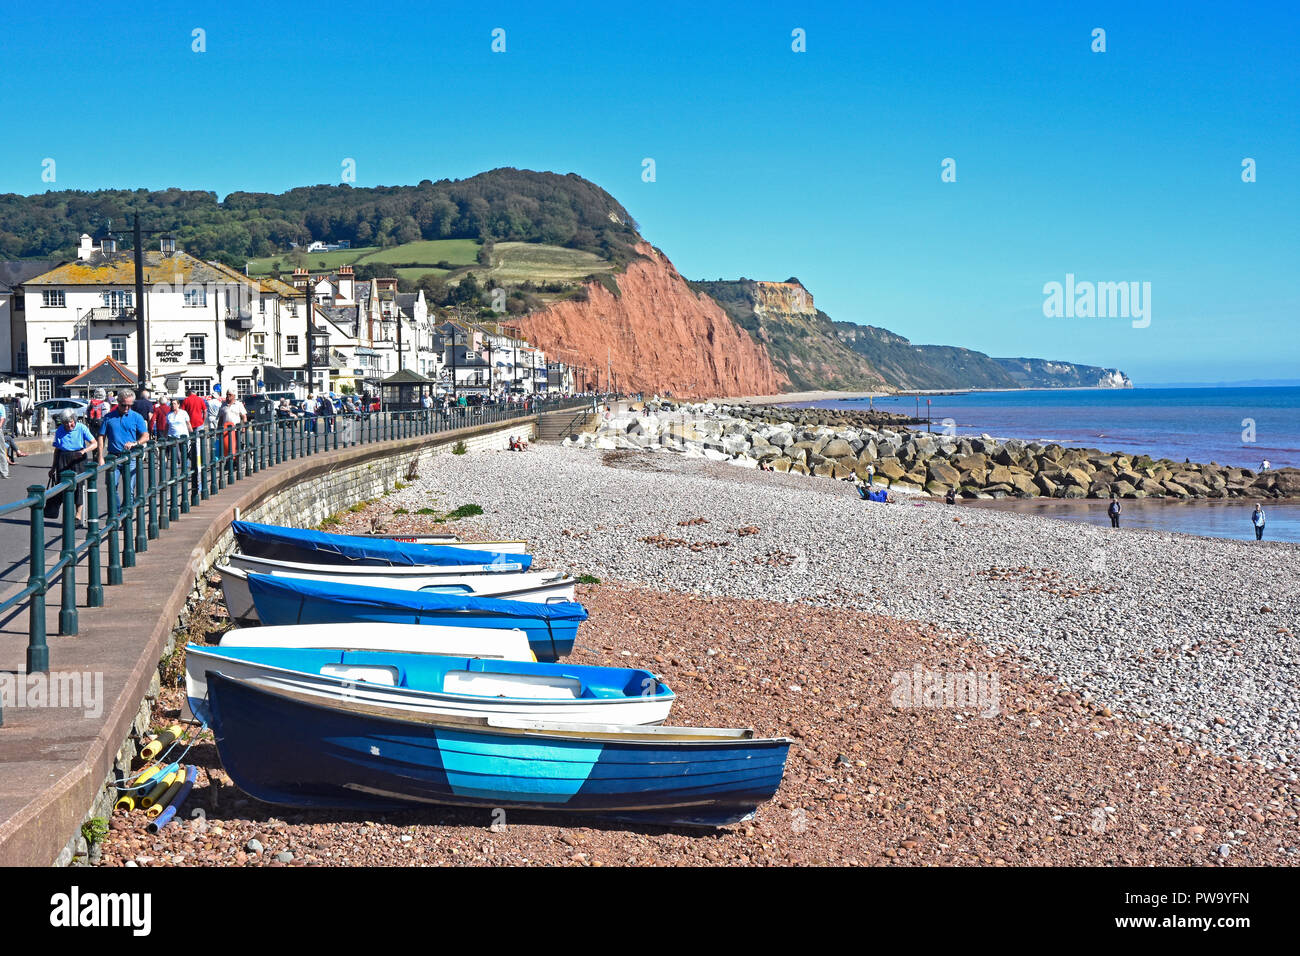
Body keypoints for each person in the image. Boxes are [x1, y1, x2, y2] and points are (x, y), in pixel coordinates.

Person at [97, 388, 149, 513]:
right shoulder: (109, 417)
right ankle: (116, 514)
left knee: (129, 489)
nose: (126, 408)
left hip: (130, 457)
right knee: (111, 486)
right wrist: (100, 456)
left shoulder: (137, 417)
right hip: (113, 457)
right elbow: (101, 436)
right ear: (118, 402)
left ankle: (127, 517)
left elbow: (145, 435)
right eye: (123, 405)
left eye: (130, 405)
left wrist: (135, 443)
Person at [51, 408, 101, 527]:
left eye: (71, 422)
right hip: (63, 458)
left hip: (79, 457)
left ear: (74, 419)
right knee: (62, 486)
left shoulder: (81, 428)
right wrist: (53, 467)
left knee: (78, 486)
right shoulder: (60, 430)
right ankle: (67, 514)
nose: (69, 425)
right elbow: (56, 450)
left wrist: (84, 451)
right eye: (66, 423)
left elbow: (94, 444)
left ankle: (78, 516)